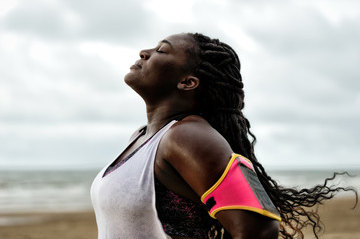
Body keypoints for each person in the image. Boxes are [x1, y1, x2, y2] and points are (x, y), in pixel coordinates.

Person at [91, 33, 357, 239]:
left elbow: (260, 230)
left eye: (161, 50)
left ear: (188, 82)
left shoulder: (187, 136)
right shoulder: (141, 137)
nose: (144, 52)